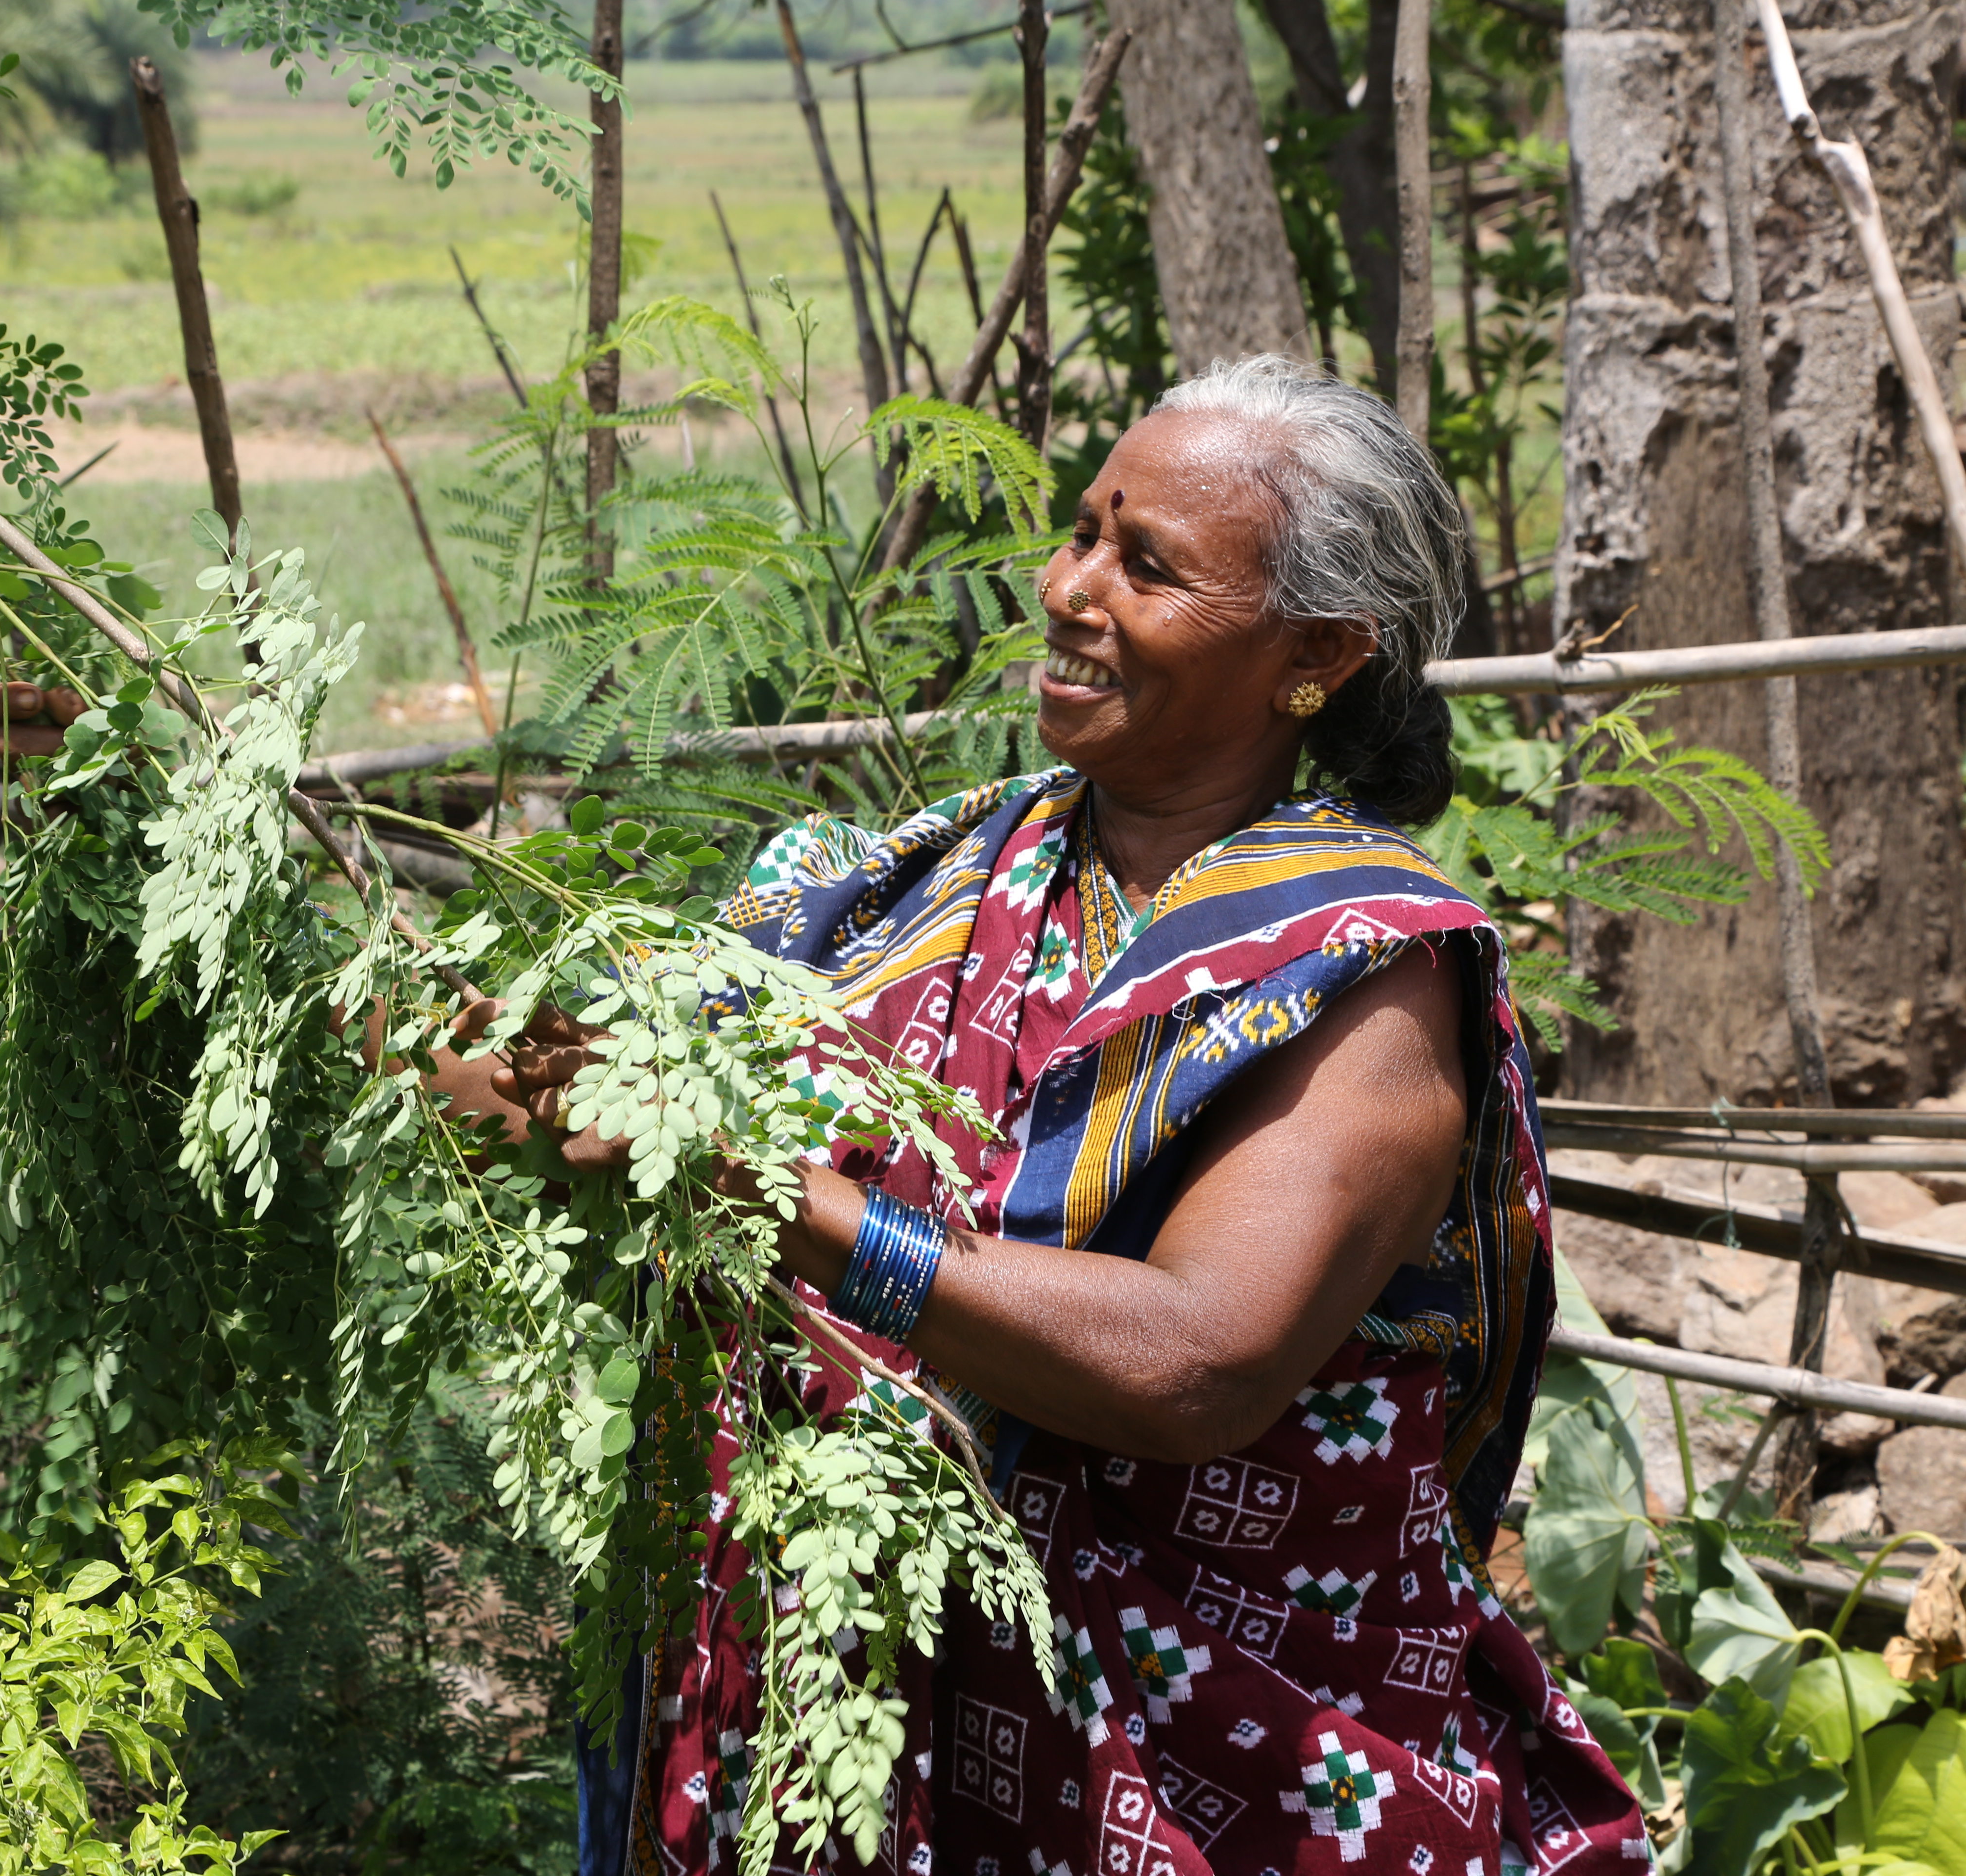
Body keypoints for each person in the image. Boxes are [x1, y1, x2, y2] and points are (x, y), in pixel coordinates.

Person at [430, 356, 1650, 1875]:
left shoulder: (1366, 978)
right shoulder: (907, 891)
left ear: (1318, 653)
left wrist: (782, 1202)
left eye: (1148, 567)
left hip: (1223, 1774)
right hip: (848, 1728)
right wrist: (461, 1037)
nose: (1072, 588)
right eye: (1084, 535)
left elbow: (1197, 1361)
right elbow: (601, 1103)